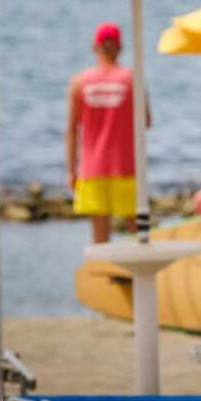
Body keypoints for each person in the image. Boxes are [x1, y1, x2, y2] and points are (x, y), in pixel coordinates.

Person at [66, 22, 149, 243]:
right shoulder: (133, 80)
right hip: (125, 166)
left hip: (93, 168)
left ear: (96, 47)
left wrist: (71, 170)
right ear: (120, 47)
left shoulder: (79, 82)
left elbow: (72, 130)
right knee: (138, 235)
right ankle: (138, 277)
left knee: (100, 239)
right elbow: (146, 121)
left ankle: (103, 275)